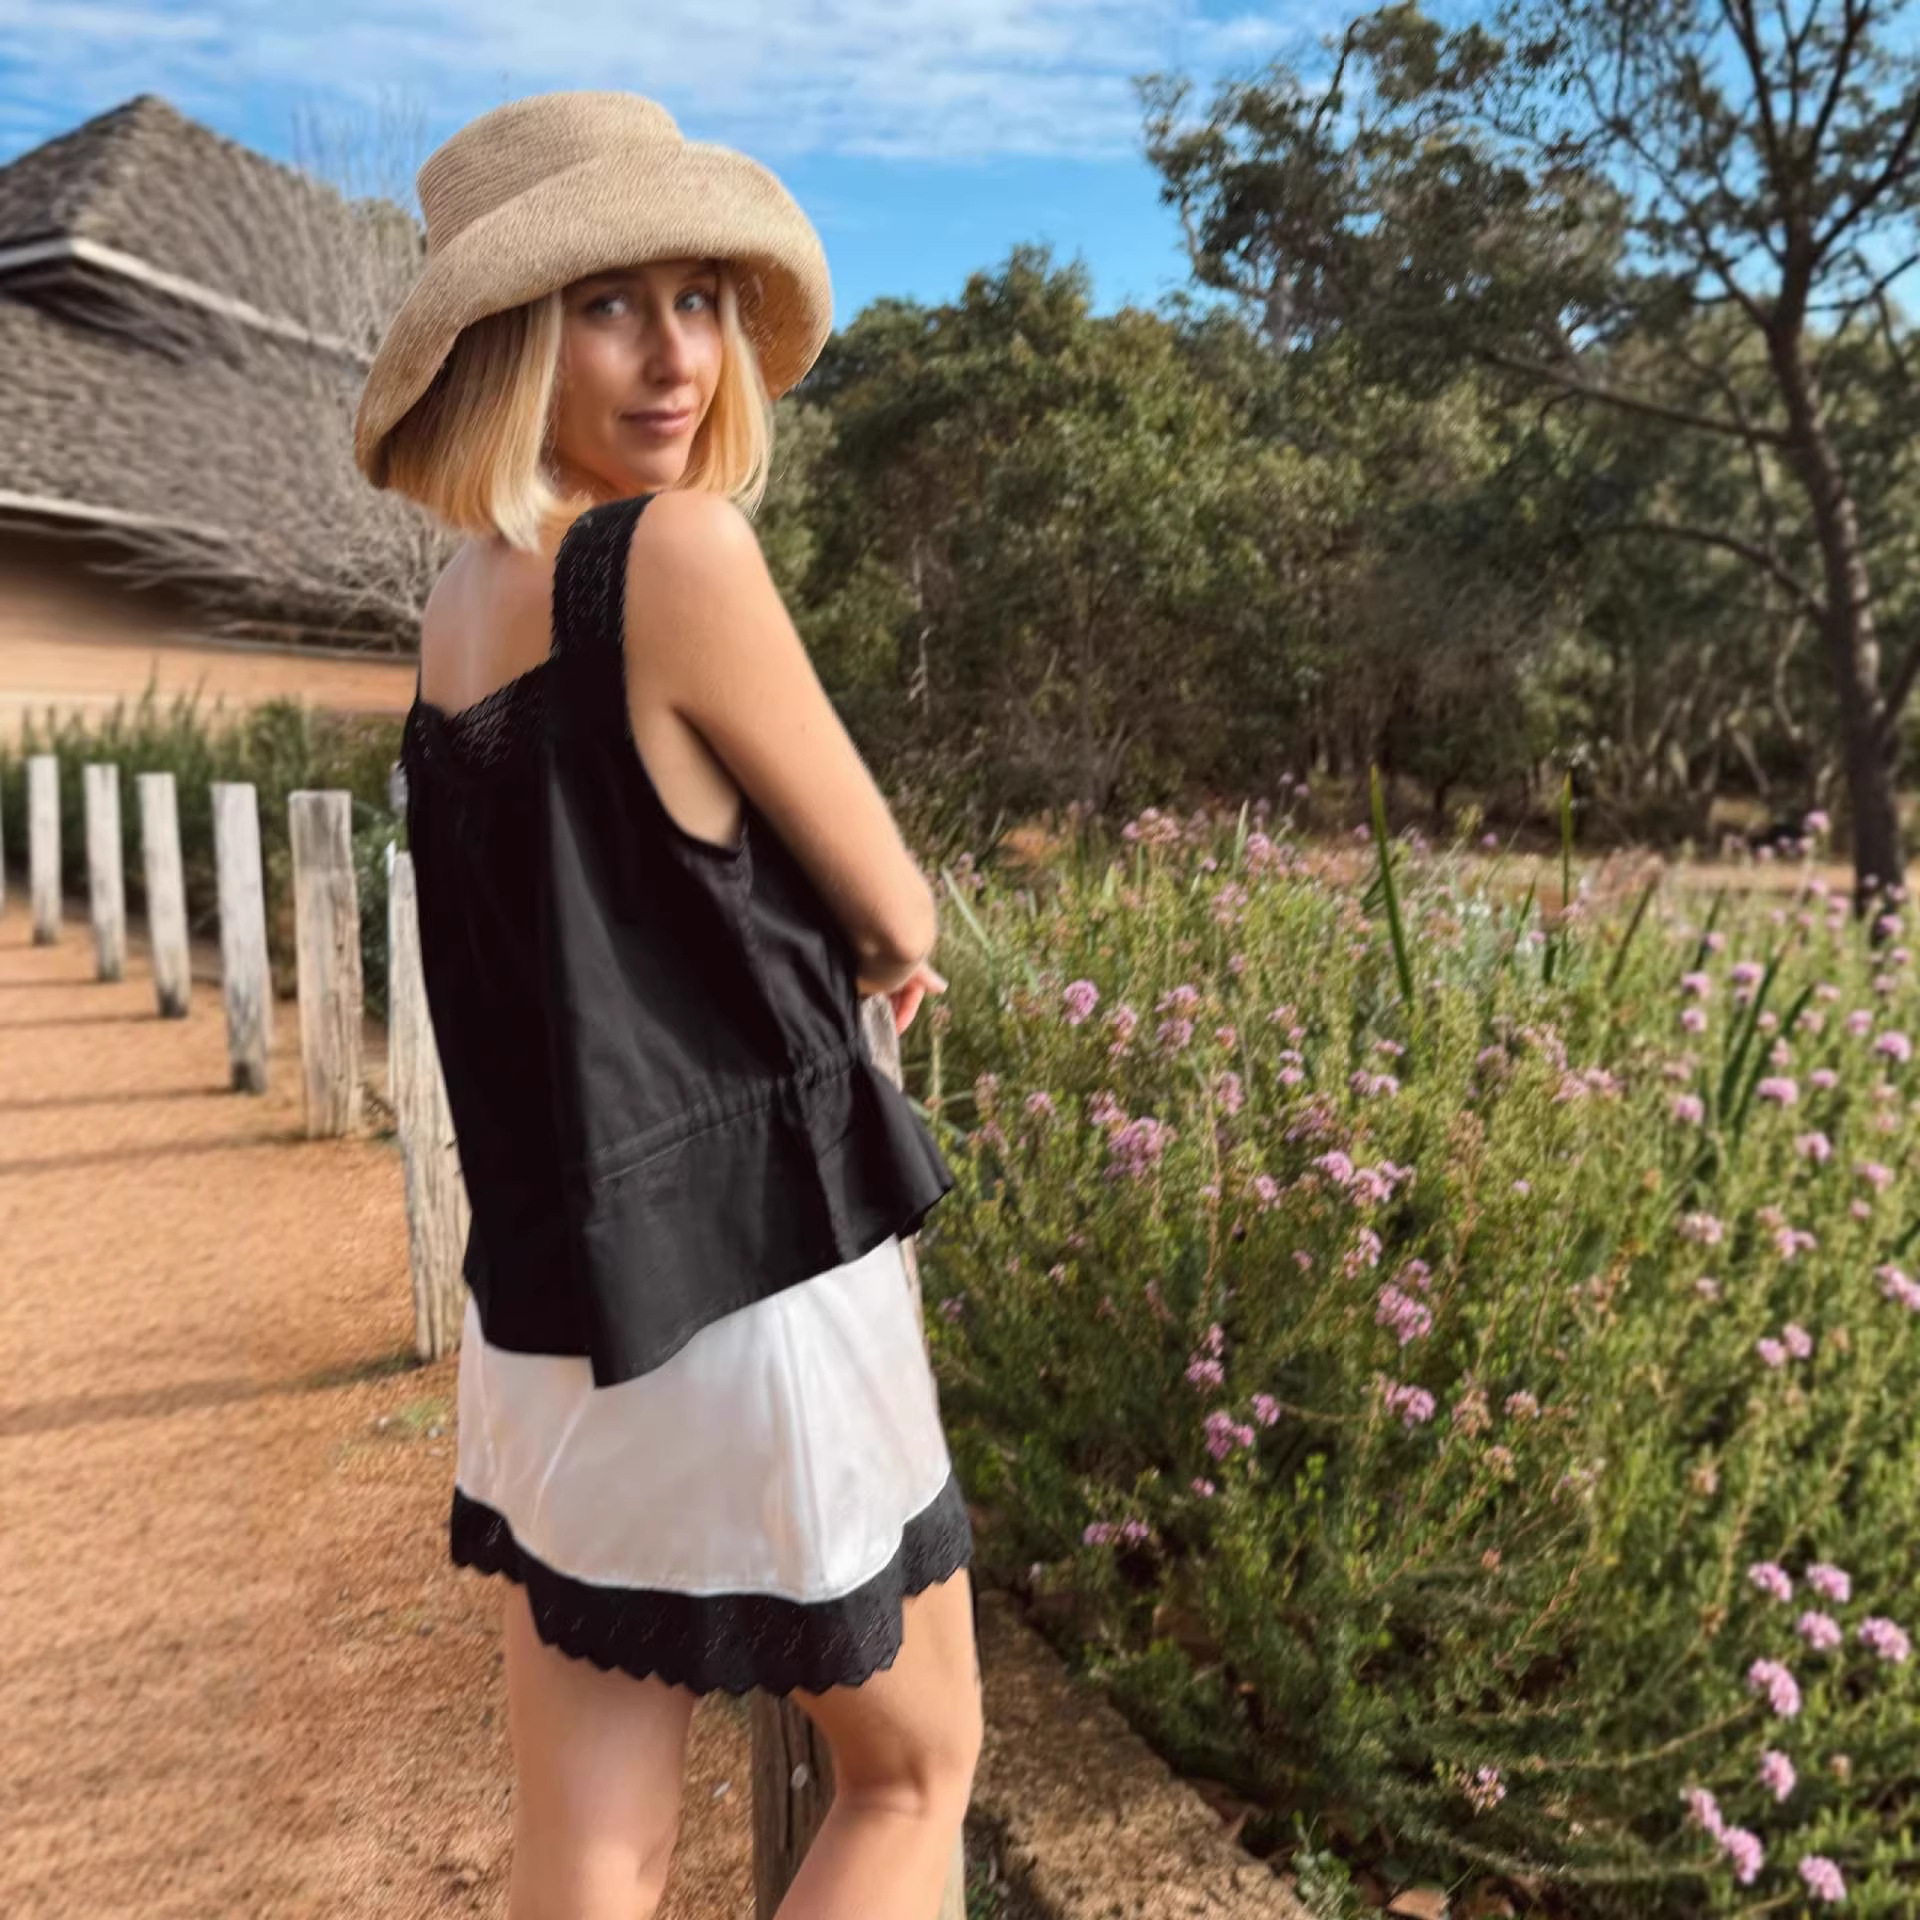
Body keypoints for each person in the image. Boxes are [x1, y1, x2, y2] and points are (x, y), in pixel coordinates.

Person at [351, 90, 981, 1920]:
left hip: (551, 1314)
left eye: (696, 299)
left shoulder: (457, 611)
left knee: (595, 1844)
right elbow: (894, 898)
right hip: (749, 1281)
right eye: (608, 305)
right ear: (509, 343)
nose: (677, 356)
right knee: (912, 1775)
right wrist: (868, 943)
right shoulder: (674, 556)